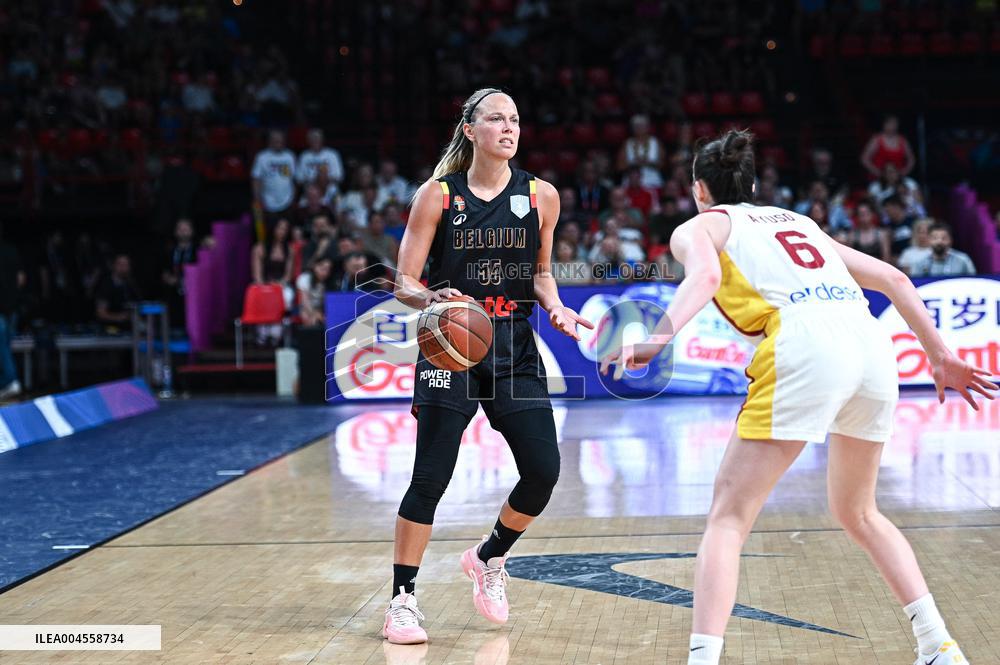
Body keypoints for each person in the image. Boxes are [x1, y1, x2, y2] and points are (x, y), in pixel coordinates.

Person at [601, 130, 994, 665]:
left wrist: (656, 338)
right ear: (755, 183)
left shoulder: (698, 226)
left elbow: (707, 275)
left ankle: (701, 660)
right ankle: (937, 645)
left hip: (804, 343)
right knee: (859, 512)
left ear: (698, 188)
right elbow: (896, 278)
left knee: (728, 517)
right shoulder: (798, 221)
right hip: (870, 346)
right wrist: (940, 356)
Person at [386, 87, 593, 645]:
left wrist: (556, 307)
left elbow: (542, 272)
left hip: (512, 346)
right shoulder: (437, 196)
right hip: (449, 345)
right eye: (496, 119)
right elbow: (402, 280)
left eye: (515, 120)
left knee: (544, 471)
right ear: (470, 130)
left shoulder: (541, 195)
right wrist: (433, 300)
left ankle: (488, 557)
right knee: (430, 475)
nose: (509, 128)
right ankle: (402, 598)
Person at [0, 223, 26, 399]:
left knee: (2, 348)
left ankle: (10, 380)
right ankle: (6, 383)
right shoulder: (12, 251)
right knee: (4, 347)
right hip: (11, 307)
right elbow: (21, 279)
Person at [251, 130, 297, 226]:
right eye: (275, 140)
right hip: (268, 201)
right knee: (271, 230)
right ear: (270, 141)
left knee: (286, 229)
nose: (278, 143)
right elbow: (256, 179)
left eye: (280, 140)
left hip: (287, 200)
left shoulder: (289, 156)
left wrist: (293, 198)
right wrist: (257, 198)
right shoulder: (262, 157)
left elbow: (292, 179)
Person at [161, 218, 198, 327]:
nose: (183, 231)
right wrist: (167, 278)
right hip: (174, 294)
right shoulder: (170, 251)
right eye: (180, 228)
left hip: (194, 293)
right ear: (175, 232)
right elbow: (164, 271)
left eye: (186, 228)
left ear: (192, 231)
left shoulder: (198, 250)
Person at [616, 113, 664, 189]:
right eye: (637, 126)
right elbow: (620, 167)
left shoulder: (655, 142)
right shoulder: (627, 143)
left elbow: (663, 165)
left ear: (647, 127)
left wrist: (648, 162)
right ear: (632, 128)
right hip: (631, 183)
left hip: (652, 182)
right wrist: (634, 163)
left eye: (642, 126)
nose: (639, 129)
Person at [911, 224, 976, 277]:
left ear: (950, 240)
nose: (939, 241)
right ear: (929, 240)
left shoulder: (963, 260)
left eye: (944, 238)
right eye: (935, 238)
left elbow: (972, 281)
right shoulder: (920, 264)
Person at [95, 254, 140, 330]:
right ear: (114, 266)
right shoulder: (106, 285)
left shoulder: (130, 284)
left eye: (126, 265)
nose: (123, 268)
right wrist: (119, 317)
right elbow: (101, 313)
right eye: (120, 264)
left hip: (129, 327)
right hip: (110, 329)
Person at [847, 199, 891, 263]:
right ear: (857, 217)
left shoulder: (881, 234)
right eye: (861, 214)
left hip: (878, 269)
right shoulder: (852, 235)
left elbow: (886, 258)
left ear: (872, 214)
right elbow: (849, 259)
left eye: (866, 213)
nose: (864, 217)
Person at [295, 256, 332, 326]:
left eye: (327, 269)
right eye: (322, 268)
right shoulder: (304, 278)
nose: (325, 272)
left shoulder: (328, 282)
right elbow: (304, 301)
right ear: (315, 266)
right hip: (305, 308)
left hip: (321, 310)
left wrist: (321, 314)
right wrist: (314, 314)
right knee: (306, 316)